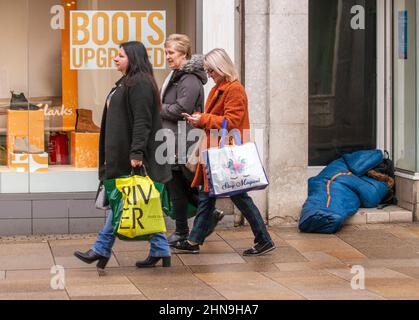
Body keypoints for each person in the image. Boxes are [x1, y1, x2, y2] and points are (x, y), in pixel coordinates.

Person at [74, 41, 173, 269]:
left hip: (136, 157)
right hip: (123, 154)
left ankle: (101, 248)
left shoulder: (139, 84)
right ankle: (161, 249)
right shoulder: (126, 83)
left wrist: (136, 152)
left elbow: (142, 121)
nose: (115, 59)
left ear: (133, 58)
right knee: (139, 201)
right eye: (116, 55)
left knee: (125, 200)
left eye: (120, 55)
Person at [173, 48, 276, 256]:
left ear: (221, 68)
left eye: (211, 71)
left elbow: (232, 122)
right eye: (207, 70)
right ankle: (194, 241)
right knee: (206, 196)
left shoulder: (233, 89)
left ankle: (264, 239)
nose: (209, 75)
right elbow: (218, 120)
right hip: (214, 152)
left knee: (239, 197)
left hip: (226, 154)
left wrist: (202, 119)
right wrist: (199, 120)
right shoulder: (219, 87)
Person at [161, 34, 224, 246]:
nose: (167, 56)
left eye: (171, 52)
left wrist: (156, 108)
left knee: (181, 185)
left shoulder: (188, 79)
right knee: (179, 186)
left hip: (182, 139)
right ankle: (188, 227)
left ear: (184, 54)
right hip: (172, 139)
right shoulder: (177, 75)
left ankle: (188, 228)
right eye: (166, 52)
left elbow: (182, 109)